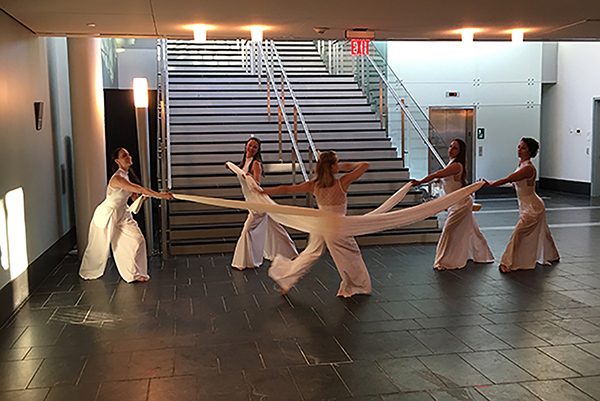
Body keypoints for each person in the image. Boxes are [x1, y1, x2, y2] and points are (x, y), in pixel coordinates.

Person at [262, 151, 372, 297]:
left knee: (310, 254)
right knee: (351, 255)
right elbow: (365, 165)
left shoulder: (314, 185)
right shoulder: (342, 182)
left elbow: (286, 189)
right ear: (333, 166)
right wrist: (344, 167)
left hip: (320, 225)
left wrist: (263, 191)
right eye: (336, 163)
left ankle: (285, 280)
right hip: (336, 227)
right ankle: (357, 286)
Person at [79, 147, 173, 283]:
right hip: (108, 214)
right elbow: (139, 188)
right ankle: (88, 271)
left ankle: (134, 274)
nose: (128, 157)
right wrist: (160, 195)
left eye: (128, 154)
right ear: (117, 161)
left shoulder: (127, 175)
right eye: (124, 156)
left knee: (137, 240)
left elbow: (135, 196)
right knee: (98, 248)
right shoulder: (117, 178)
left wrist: (142, 198)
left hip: (123, 214)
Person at [411, 139, 493, 270]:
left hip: (461, 204)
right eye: (450, 146)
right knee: (472, 230)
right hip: (456, 203)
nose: (450, 149)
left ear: (460, 152)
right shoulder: (452, 164)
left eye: (454, 148)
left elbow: (438, 174)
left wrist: (420, 181)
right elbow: (444, 178)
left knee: (449, 230)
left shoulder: (456, 166)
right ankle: (481, 255)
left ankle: (445, 260)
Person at [485, 137, 559, 273]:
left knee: (518, 233)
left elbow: (509, 179)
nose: (519, 150)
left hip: (532, 207)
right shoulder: (521, 166)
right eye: (519, 147)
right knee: (542, 231)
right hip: (527, 205)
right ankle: (552, 255)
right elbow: (513, 183)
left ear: (530, 151)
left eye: (523, 148)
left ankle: (507, 262)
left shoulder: (528, 168)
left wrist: (490, 184)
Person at [229, 137, 297, 270]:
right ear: (245, 146)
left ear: (258, 150)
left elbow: (257, 184)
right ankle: (290, 252)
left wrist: (248, 177)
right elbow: (239, 172)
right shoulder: (244, 162)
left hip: (257, 203)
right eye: (250, 145)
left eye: (255, 147)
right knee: (274, 228)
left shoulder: (256, 164)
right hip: (250, 202)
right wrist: (231, 167)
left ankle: (246, 261)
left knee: (247, 229)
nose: (251, 148)